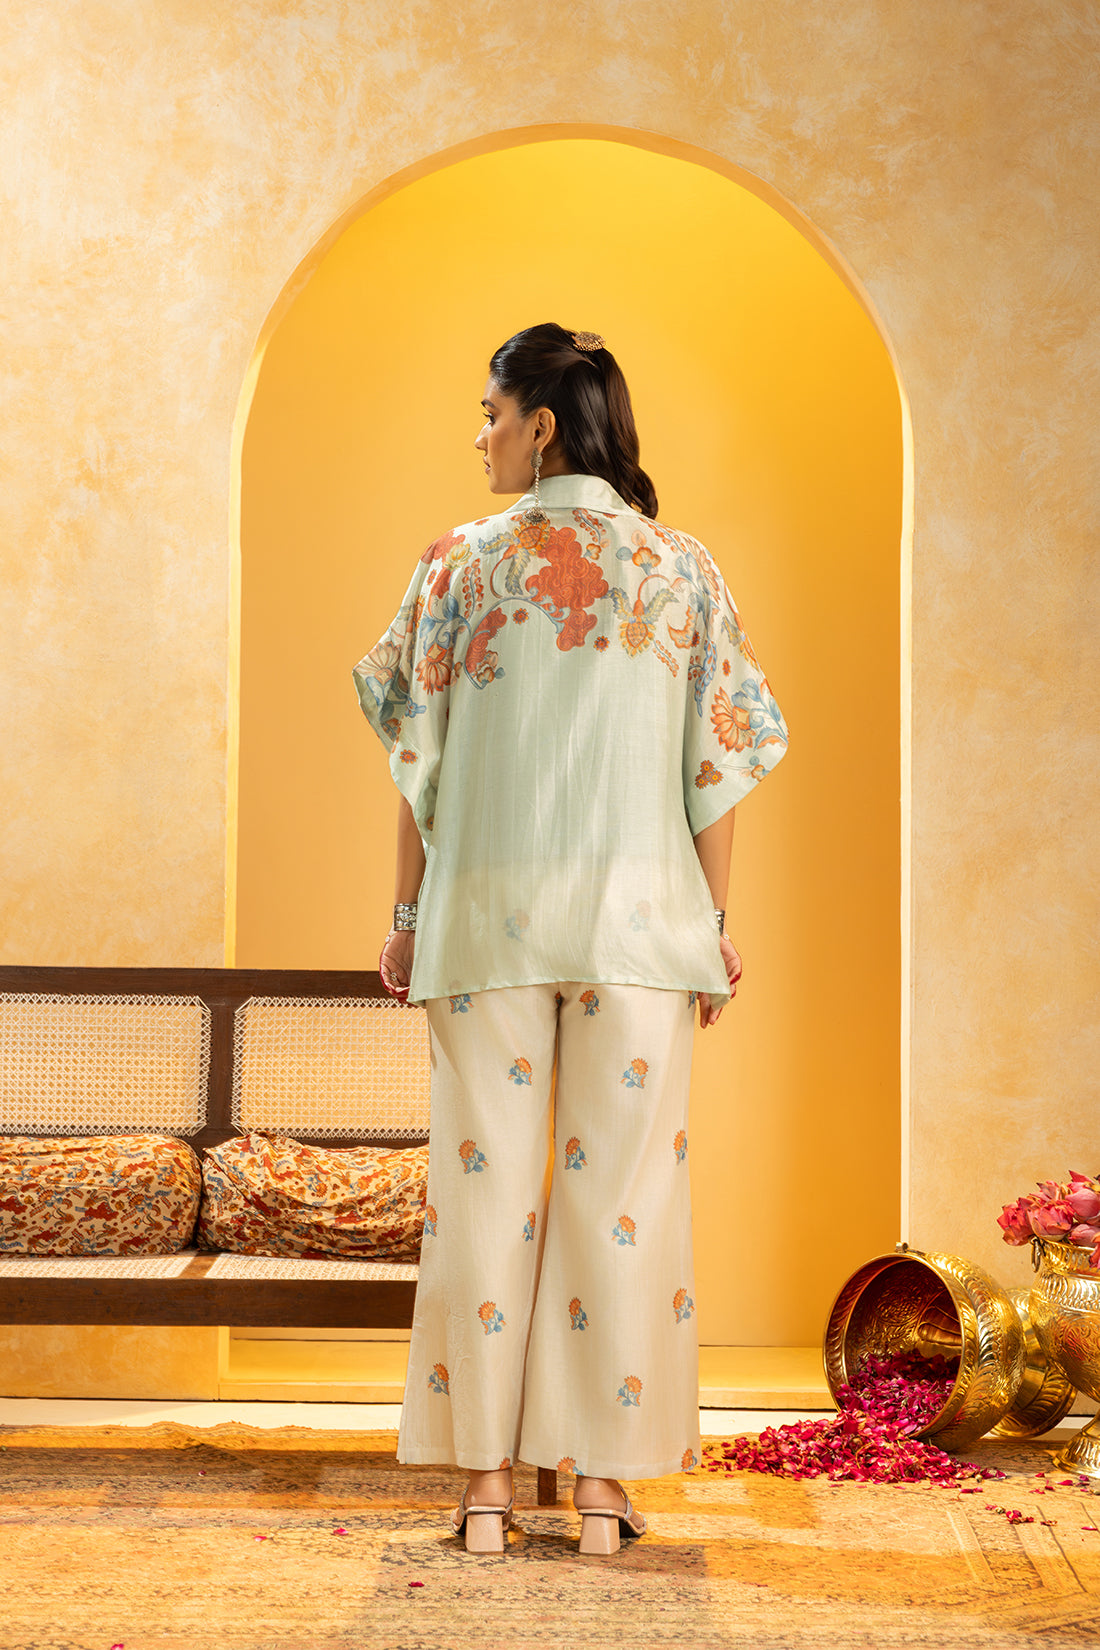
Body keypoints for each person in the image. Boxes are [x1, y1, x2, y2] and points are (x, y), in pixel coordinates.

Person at [353, 322, 787, 1555]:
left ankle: (486, 1490)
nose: (479, 435)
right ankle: (600, 1491)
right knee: (623, 1202)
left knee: (481, 1195)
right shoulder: (681, 568)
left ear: (540, 425)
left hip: (482, 923)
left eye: (490, 412)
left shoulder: (455, 565)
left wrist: (404, 919)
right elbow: (717, 764)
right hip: (639, 928)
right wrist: (708, 925)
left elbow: (418, 764)